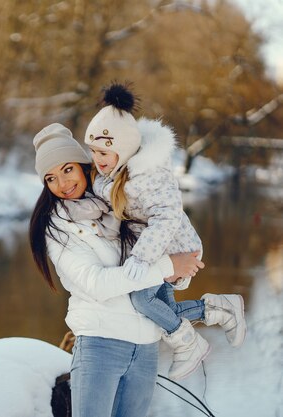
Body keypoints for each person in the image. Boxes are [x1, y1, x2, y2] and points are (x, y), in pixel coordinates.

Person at [29, 122, 204, 417]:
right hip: (101, 345)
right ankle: (212, 309)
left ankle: (215, 309)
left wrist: (178, 272)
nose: (62, 183)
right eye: (50, 178)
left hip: (146, 347)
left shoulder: (121, 203)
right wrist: (167, 266)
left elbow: (168, 262)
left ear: (84, 165)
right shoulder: (59, 227)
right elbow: (96, 283)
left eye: (67, 169)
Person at [83, 82, 247, 380]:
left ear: (124, 148)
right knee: (160, 311)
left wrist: (142, 259)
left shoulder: (151, 174)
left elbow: (168, 218)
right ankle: (219, 309)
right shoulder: (112, 175)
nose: (98, 158)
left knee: (142, 301)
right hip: (159, 249)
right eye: (93, 151)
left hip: (175, 248)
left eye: (104, 151)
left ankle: (190, 341)